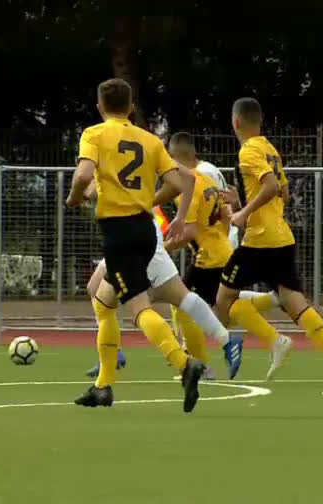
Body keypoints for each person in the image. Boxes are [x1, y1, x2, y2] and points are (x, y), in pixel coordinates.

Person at [65, 78, 215, 412]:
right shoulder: (150, 140)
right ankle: (103, 386)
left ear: (100, 107)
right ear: (131, 107)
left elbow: (83, 175)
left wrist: (74, 198)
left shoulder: (94, 134)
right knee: (103, 302)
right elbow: (176, 183)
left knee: (138, 307)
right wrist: (147, 200)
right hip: (145, 230)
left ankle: (184, 363)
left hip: (119, 233)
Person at [215, 97, 323, 394]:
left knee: (224, 300)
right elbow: (284, 194)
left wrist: (243, 213)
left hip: (259, 240)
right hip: (281, 238)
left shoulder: (248, 150)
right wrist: (242, 201)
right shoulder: (269, 148)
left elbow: (271, 187)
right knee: (295, 303)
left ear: (236, 121)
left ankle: (271, 342)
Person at [163, 132, 281, 379]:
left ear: (174, 158)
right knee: (221, 305)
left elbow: (190, 231)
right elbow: (226, 215)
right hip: (221, 251)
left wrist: (164, 248)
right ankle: (271, 300)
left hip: (207, 258)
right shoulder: (208, 181)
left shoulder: (188, 186)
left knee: (183, 304)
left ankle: (201, 365)